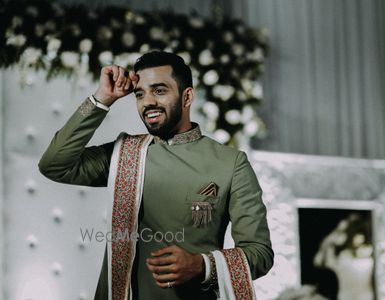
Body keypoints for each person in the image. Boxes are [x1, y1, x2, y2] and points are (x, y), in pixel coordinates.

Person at [39, 51, 273, 300]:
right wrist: (102, 99)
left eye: (159, 91)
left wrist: (201, 265)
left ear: (187, 96)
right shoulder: (124, 155)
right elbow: (54, 165)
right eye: (140, 94)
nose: (147, 102)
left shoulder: (230, 163)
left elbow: (260, 253)